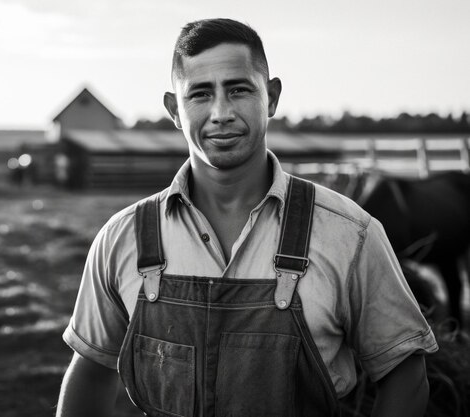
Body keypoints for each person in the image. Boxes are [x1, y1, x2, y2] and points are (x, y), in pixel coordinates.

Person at [56, 18, 438, 417]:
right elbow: (91, 372)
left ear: (271, 97)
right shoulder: (123, 238)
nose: (221, 112)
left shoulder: (349, 235)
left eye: (238, 89)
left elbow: (406, 377)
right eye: (200, 94)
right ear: (174, 109)